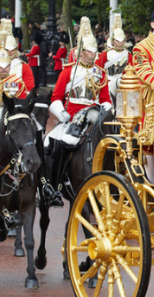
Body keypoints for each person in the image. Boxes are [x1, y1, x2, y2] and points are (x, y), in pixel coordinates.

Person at [44, 17, 112, 207]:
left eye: (94, 51)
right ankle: (55, 186)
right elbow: (56, 97)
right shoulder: (68, 72)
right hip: (72, 117)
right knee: (58, 142)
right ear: (82, 52)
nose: (93, 55)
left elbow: (105, 99)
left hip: (94, 116)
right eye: (89, 52)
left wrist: (107, 113)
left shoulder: (101, 73)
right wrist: (61, 113)